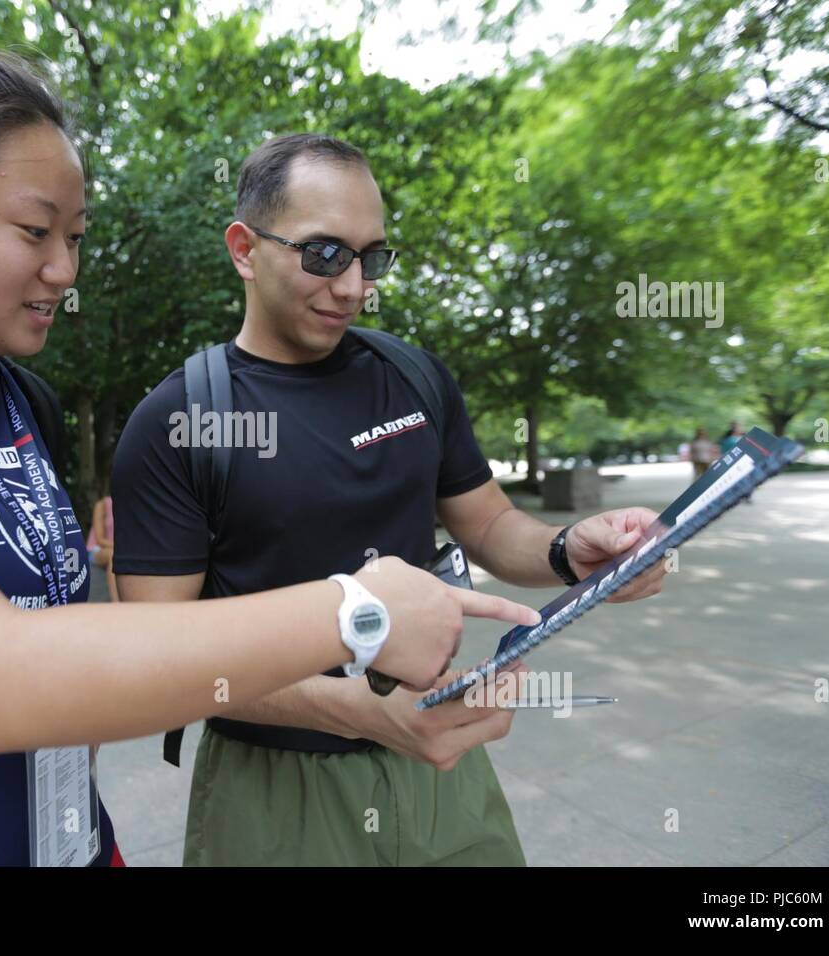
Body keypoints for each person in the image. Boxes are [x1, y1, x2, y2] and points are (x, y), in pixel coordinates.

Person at [0, 48, 521, 866]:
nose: (62, 269)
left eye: (75, 236)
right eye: (34, 231)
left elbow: (94, 649)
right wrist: (353, 612)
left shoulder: (16, 401)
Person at [112, 133, 669, 866]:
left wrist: (572, 552)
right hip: (275, 793)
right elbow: (155, 656)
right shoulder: (178, 418)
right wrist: (351, 711)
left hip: (440, 760)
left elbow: (491, 526)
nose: (352, 286)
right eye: (323, 254)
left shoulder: (412, 375)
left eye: (370, 256)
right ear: (245, 249)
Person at [88, 487, 118, 601]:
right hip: (97, 550)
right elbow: (100, 539)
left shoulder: (130, 506)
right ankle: (117, 604)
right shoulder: (102, 505)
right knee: (112, 555)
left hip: (118, 549)